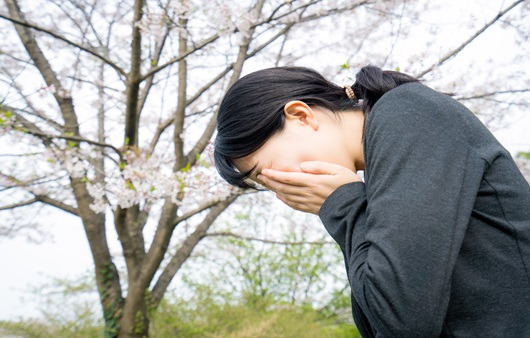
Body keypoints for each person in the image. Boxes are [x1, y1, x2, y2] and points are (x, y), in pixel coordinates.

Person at [213, 65, 530, 337]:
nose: (282, 193)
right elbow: (378, 324)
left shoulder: (406, 113)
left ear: (300, 116)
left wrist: (345, 206)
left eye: (265, 173)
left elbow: (403, 321)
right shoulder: (377, 175)